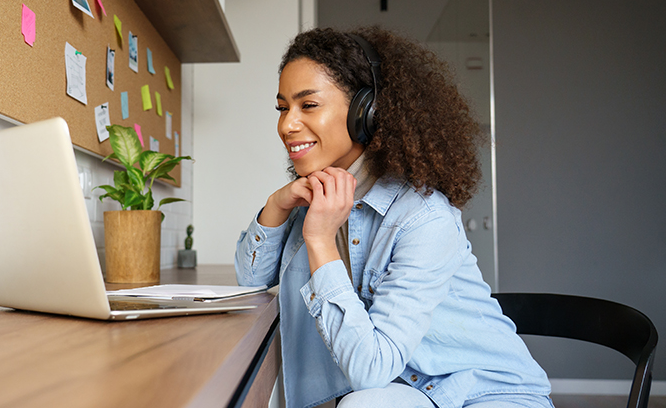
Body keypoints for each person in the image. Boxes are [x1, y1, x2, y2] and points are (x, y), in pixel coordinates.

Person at [234, 26, 553, 408]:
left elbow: (370, 370)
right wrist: (276, 206)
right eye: (283, 107)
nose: (287, 125)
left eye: (309, 105)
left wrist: (319, 241)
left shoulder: (423, 216)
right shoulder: (320, 196)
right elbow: (251, 281)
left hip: (484, 393)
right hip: (408, 390)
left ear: (365, 112)